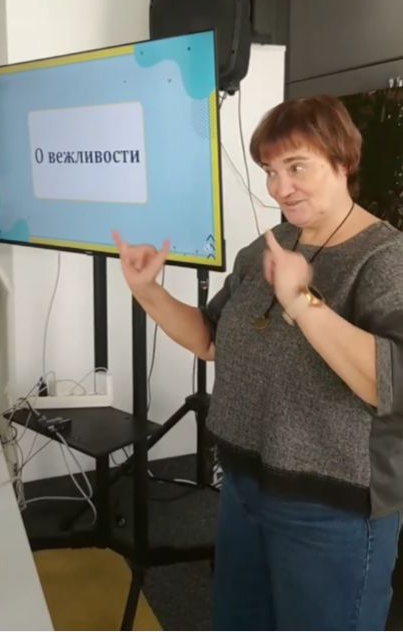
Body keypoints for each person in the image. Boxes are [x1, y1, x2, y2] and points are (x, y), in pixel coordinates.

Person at [113, 95, 403, 631]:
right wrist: (148, 291)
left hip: (332, 510)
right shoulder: (267, 248)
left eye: (297, 167)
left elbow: (389, 385)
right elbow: (211, 340)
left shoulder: (385, 259)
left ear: (343, 161)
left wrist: (303, 301)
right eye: (270, 171)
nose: (279, 187)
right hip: (245, 489)